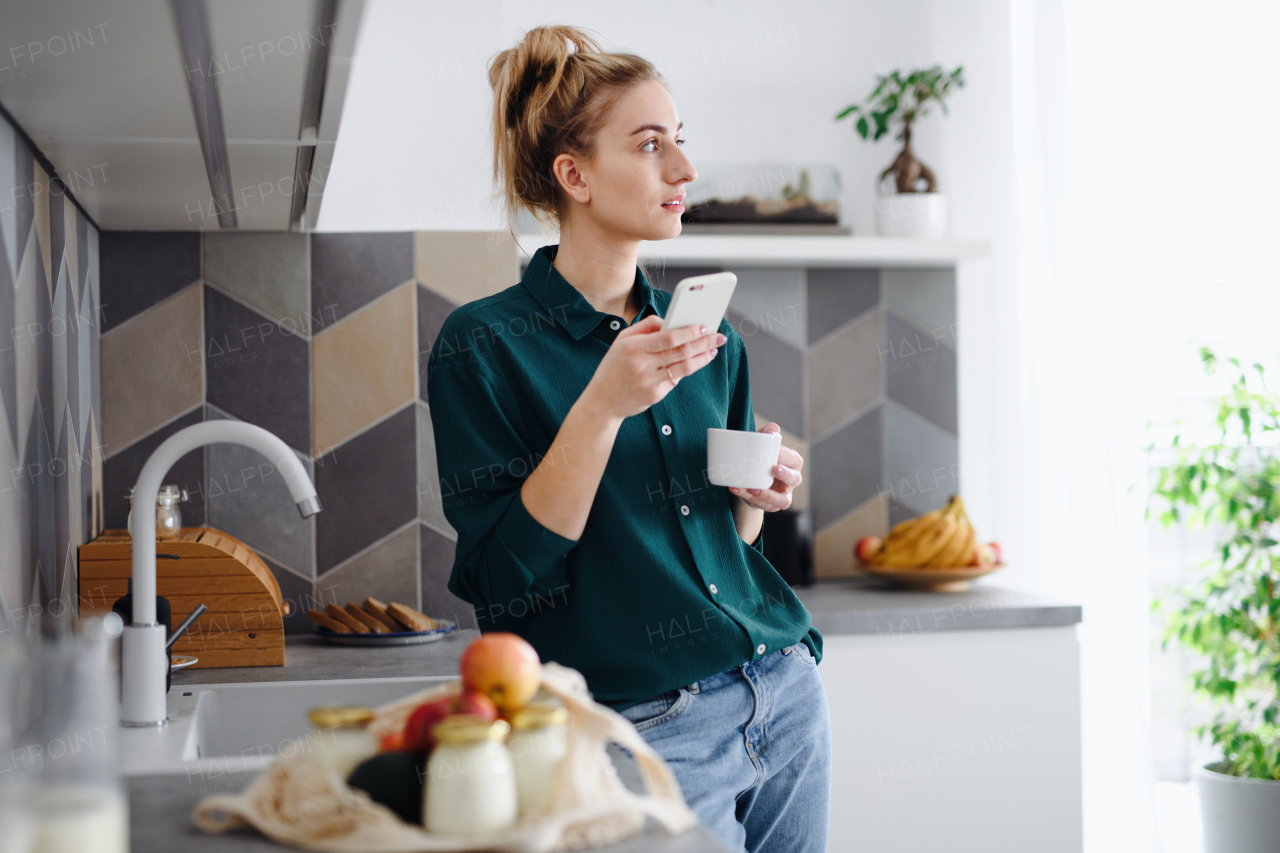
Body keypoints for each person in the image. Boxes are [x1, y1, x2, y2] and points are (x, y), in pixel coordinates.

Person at [425, 25, 831, 853]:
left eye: (681, 142)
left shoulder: (707, 337)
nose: (684, 171)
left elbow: (728, 549)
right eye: (651, 146)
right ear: (573, 175)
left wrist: (750, 502)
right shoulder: (484, 345)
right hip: (638, 732)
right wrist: (602, 407)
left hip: (783, 693)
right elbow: (501, 584)